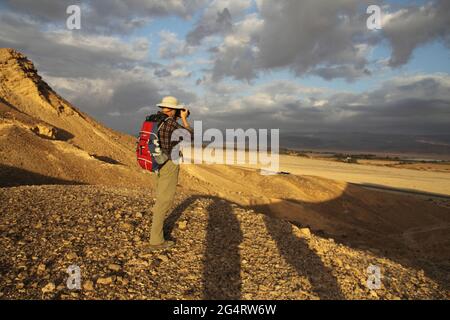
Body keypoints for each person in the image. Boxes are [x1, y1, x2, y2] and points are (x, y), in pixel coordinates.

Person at [147, 96, 193, 251]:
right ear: (173, 110)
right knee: (164, 201)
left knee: (161, 197)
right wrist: (185, 120)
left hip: (156, 162)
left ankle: (156, 231)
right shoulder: (171, 123)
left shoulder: (154, 120)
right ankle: (156, 240)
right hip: (168, 163)